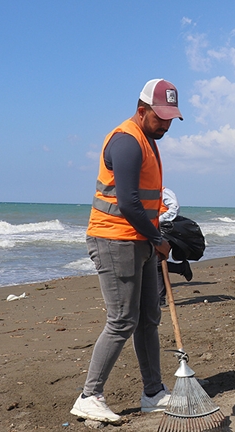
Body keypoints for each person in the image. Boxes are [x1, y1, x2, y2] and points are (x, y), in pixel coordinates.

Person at [70, 79, 183, 424]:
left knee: (149, 318)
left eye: (170, 118)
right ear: (141, 110)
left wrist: (151, 238)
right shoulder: (127, 141)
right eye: (160, 117)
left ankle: (153, 392)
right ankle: (89, 395)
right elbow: (129, 203)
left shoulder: (148, 140)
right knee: (122, 320)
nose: (165, 124)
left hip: (139, 240)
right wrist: (158, 239)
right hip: (114, 239)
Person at [156, 187, 193, 307]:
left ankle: (160, 299)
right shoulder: (142, 191)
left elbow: (174, 208)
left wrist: (158, 220)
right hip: (151, 229)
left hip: (165, 229)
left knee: (158, 261)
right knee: (152, 263)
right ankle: (181, 268)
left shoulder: (164, 191)